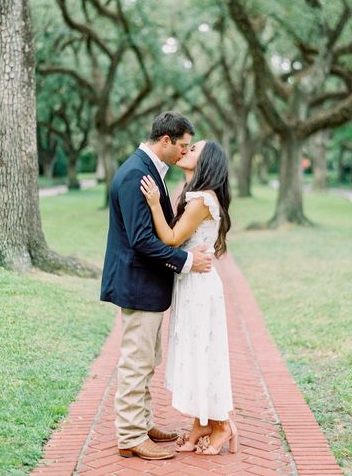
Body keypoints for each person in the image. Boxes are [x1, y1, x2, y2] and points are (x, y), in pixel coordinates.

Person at [100, 112, 213, 461]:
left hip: (145, 283)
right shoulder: (137, 174)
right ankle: (130, 436)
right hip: (136, 283)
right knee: (136, 361)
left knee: (147, 359)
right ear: (165, 141)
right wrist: (187, 261)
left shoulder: (148, 170)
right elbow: (142, 240)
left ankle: (143, 423)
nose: (183, 152)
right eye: (181, 145)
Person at [140, 139, 238, 455]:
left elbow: (170, 238)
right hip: (190, 281)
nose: (186, 150)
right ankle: (201, 425)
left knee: (203, 354)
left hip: (199, 286)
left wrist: (154, 204)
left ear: (205, 162)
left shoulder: (201, 200)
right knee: (196, 352)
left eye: (193, 149)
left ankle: (222, 425)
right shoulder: (191, 195)